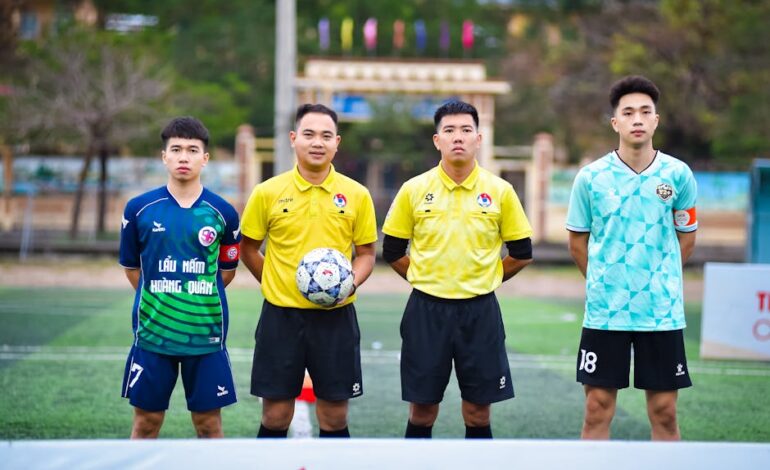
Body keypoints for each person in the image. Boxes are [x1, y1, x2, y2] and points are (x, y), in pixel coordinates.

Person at [382, 100, 533, 439]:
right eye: (449, 131)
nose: (458, 137)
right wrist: (427, 278)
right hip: (426, 310)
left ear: (478, 138)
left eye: (466, 130)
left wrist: (486, 278)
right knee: (422, 411)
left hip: (480, 311)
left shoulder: (500, 191)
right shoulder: (414, 189)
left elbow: (522, 253)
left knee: (478, 413)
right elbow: (392, 251)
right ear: (437, 140)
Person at [566, 75, 698, 440]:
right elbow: (577, 242)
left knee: (665, 413)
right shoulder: (591, 178)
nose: (637, 119)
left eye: (645, 112)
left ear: (656, 120)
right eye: (628, 112)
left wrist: (660, 279)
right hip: (606, 313)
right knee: (596, 410)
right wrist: (604, 283)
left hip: (661, 312)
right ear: (616, 123)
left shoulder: (678, 174)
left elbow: (686, 239)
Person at [240, 103, 377, 438]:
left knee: (334, 417)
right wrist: (277, 283)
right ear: (293, 138)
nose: (318, 142)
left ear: (337, 142)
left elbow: (367, 254)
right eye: (309, 134)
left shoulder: (357, 195)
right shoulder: (267, 192)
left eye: (326, 136)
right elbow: (247, 248)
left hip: (336, 319)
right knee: (275, 415)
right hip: (280, 317)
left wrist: (347, 284)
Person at [119, 116, 242, 438]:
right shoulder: (139, 209)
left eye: (192, 150)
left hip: (205, 336)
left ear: (205, 158)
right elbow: (133, 269)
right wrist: (165, 296)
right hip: (152, 334)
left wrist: (194, 294)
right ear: (164, 156)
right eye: (176, 149)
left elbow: (225, 274)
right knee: (146, 423)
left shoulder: (223, 213)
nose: (183, 157)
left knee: (209, 425)